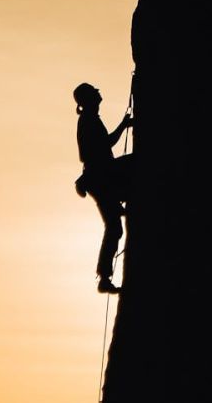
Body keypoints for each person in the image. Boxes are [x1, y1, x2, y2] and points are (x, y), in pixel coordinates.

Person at [72, 82, 134, 294]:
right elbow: (105, 145)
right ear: (89, 100)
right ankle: (104, 277)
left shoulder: (89, 120)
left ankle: (104, 277)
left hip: (100, 177)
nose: (100, 97)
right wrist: (124, 125)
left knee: (114, 226)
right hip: (101, 177)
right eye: (95, 95)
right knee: (114, 227)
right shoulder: (88, 121)